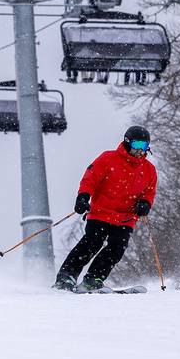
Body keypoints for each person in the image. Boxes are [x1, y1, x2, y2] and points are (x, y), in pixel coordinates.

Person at [53, 125, 157, 292]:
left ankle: (94, 279)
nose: (140, 150)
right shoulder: (108, 159)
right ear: (128, 143)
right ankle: (67, 276)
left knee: (117, 247)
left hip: (126, 217)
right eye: (137, 145)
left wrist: (145, 203)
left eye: (144, 146)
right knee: (91, 243)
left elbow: (149, 192)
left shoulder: (149, 170)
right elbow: (90, 179)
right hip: (101, 213)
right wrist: (83, 197)